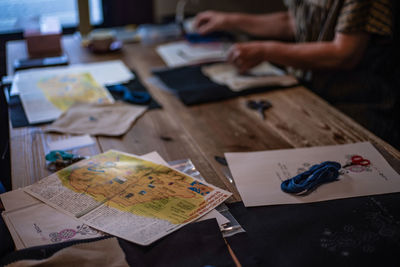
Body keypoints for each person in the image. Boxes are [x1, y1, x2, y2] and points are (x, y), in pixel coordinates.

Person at [194, 0, 399, 148]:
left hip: (356, 110)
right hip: (310, 96)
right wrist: (229, 20)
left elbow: (344, 54)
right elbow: (292, 22)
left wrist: (267, 51)